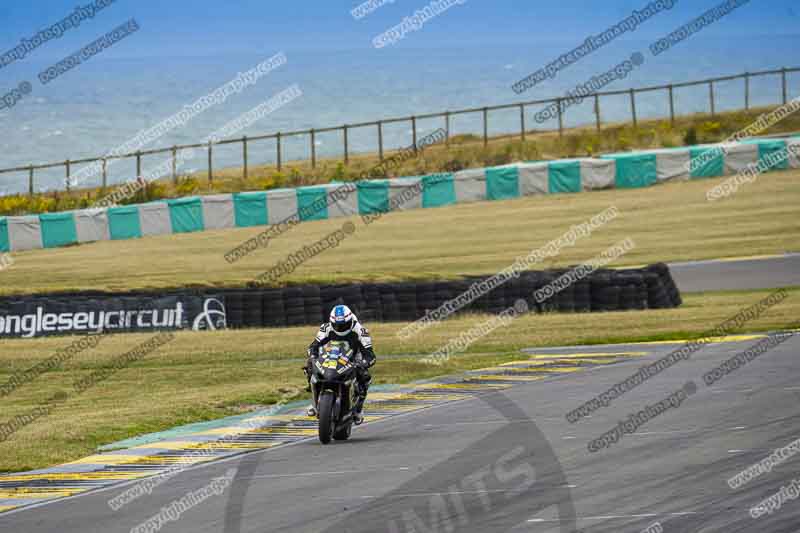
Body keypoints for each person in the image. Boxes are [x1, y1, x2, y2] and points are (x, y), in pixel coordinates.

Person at [305, 304, 375, 424]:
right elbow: (313, 347)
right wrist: (313, 356)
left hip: (352, 359)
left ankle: (358, 409)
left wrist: (364, 363)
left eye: (343, 325)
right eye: (337, 325)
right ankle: (314, 402)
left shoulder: (360, 331)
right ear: (331, 321)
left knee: (365, 377)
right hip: (330, 356)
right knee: (309, 365)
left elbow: (370, 355)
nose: (340, 327)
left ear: (350, 321)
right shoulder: (326, 328)